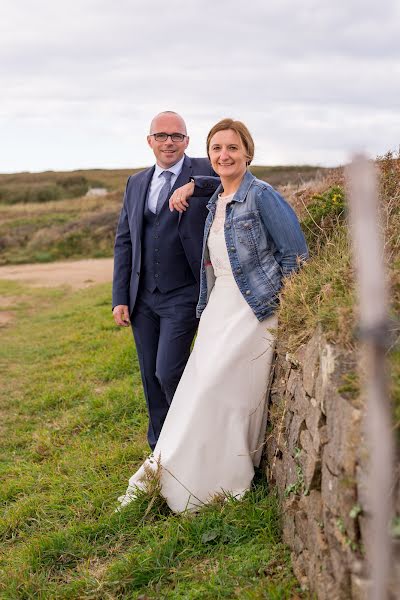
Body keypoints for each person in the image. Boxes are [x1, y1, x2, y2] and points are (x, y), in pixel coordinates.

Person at [117, 118, 308, 513]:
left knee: (216, 390)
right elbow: (212, 185)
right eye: (217, 149)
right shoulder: (213, 198)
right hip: (217, 307)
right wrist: (193, 184)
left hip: (255, 307)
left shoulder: (263, 196)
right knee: (194, 390)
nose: (224, 155)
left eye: (233, 148)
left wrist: (291, 305)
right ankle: (177, 465)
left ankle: (223, 473)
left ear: (248, 153)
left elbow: (295, 254)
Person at [112, 111, 219, 450]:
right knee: (149, 377)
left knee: (168, 371)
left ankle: (193, 434)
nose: (168, 142)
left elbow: (245, 179)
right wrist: (120, 297)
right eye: (161, 136)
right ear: (150, 141)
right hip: (143, 297)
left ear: (187, 141)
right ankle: (160, 447)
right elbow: (125, 240)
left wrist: (195, 185)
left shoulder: (204, 167)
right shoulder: (136, 182)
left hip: (183, 292)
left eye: (176, 136)